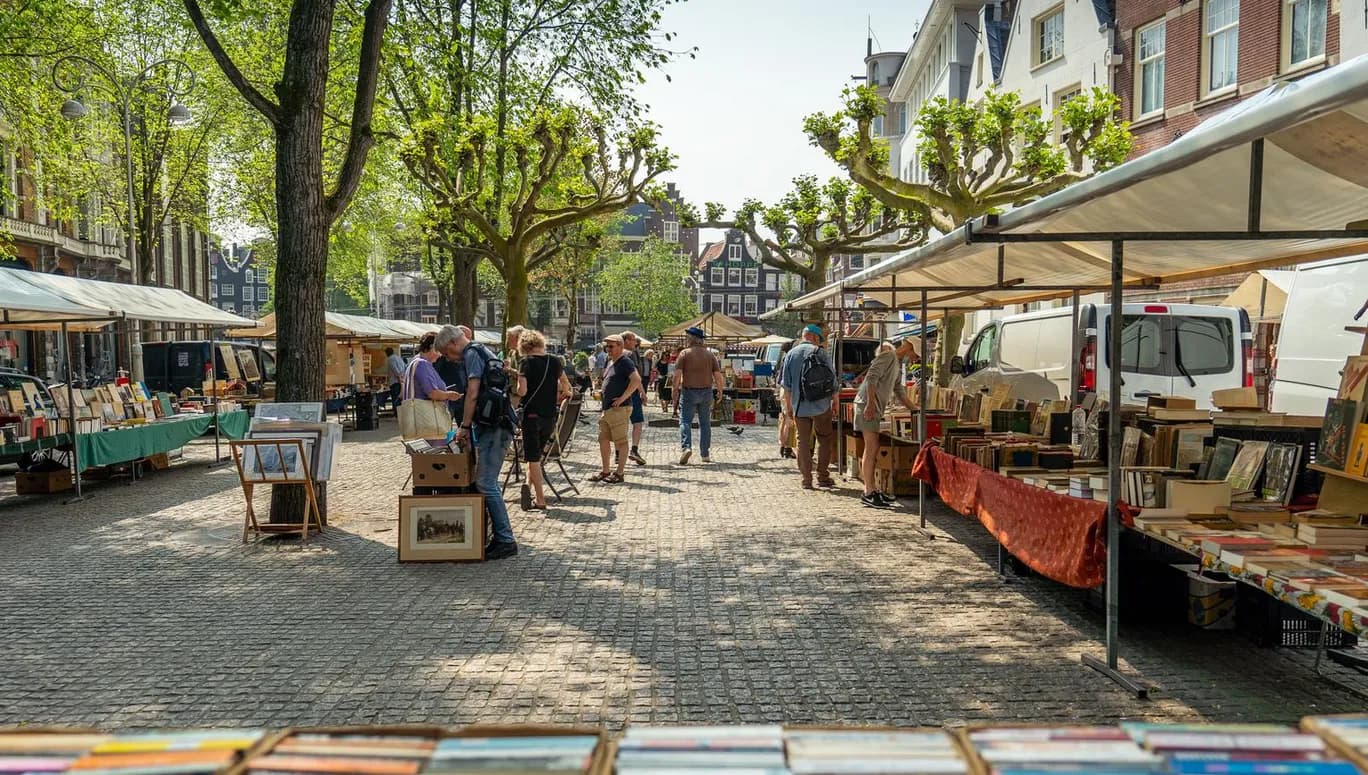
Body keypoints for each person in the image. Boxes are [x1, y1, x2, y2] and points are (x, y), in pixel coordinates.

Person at [443, 325, 519, 560]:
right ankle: (498, 536)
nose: (449, 359)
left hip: (494, 425)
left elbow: (473, 392)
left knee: (486, 482)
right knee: (487, 482)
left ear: (454, 343)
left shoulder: (471, 354)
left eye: (447, 353)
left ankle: (505, 540)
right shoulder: (484, 350)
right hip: (499, 420)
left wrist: (465, 426)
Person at [854, 336, 919, 509]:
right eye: (916, 354)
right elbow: (871, 377)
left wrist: (915, 409)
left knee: (873, 448)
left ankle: (872, 490)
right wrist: (869, 404)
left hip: (872, 406)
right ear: (909, 348)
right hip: (867, 406)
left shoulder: (896, 363)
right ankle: (868, 492)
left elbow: (899, 391)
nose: (915, 359)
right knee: (871, 447)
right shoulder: (889, 356)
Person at [517, 330, 572, 511]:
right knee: (536, 456)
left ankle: (540, 500)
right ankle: (527, 484)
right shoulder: (555, 361)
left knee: (532, 458)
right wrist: (563, 395)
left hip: (531, 416)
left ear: (525, 346)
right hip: (549, 416)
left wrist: (518, 379)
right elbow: (565, 384)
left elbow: (522, 391)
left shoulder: (525, 363)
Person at [781, 324, 838, 490]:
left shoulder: (791, 354)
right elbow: (832, 380)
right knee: (824, 439)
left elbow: (787, 386)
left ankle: (806, 479)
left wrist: (789, 406)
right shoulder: (822, 353)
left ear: (804, 336)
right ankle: (823, 476)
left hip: (799, 405)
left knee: (803, 442)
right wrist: (834, 400)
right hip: (821, 404)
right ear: (815, 338)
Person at [591, 334, 641, 484]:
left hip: (619, 408)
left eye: (611, 346)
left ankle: (619, 473)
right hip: (608, 409)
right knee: (603, 439)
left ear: (620, 346)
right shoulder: (611, 362)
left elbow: (636, 380)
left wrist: (622, 398)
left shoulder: (625, 361)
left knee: (621, 441)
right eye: (607, 346)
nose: (608, 349)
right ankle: (605, 471)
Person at [672, 327, 724, 465]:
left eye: (687, 337)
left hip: (689, 391)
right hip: (706, 391)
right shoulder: (709, 355)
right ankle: (705, 454)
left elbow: (677, 375)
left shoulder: (684, 353)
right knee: (705, 423)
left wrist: (674, 391)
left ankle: (686, 447)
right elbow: (718, 376)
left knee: (685, 421)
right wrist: (720, 390)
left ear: (691, 339)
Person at [402, 333, 463, 405]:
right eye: (439, 351)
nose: (440, 355)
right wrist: (449, 395)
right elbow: (432, 393)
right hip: (424, 413)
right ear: (432, 347)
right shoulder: (423, 364)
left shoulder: (415, 362)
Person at [620, 331, 648, 466]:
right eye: (632, 340)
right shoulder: (631, 354)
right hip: (632, 393)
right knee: (637, 422)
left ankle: (619, 453)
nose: (635, 342)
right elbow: (636, 377)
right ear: (625, 341)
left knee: (620, 424)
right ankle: (634, 450)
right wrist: (643, 392)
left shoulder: (614, 354)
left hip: (618, 393)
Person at [776, 339, 797, 459]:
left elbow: (779, 379)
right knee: (789, 420)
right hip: (788, 390)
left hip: (783, 390)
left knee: (784, 420)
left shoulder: (785, 358)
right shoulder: (790, 359)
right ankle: (788, 448)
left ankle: (783, 446)